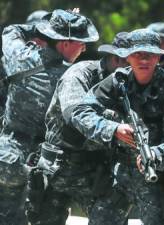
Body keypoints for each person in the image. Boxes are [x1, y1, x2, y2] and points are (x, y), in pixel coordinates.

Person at [71, 28, 164, 225]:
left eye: (149, 55)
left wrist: (157, 155)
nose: (143, 60)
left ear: (158, 58)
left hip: (156, 175)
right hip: (118, 172)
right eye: (137, 55)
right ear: (128, 57)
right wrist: (113, 130)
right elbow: (80, 113)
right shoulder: (117, 81)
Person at [0, 9, 98, 225]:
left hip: (8, 158)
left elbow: (11, 30)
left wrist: (50, 23)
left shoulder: (20, 56)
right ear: (64, 43)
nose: (85, 47)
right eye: (80, 41)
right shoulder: (74, 78)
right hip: (47, 167)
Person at [26, 31, 135, 225]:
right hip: (59, 167)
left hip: (97, 170)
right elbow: (75, 114)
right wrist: (114, 128)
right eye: (129, 63)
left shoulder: (132, 83)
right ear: (117, 59)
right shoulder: (80, 74)